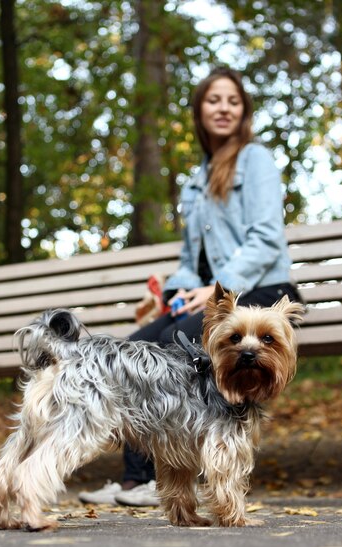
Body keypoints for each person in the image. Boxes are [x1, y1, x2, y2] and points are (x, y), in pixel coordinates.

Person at [78, 66, 301, 507]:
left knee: (174, 341)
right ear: (200, 111)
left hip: (260, 291)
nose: (223, 108)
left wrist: (216, 290)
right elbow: (189, 260)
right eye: (214, 100)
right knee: (138, 346)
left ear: (243, 112)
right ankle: (136, 479)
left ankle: (171, 475)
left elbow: (266, 239)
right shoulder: (198, 180)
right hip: (217, 296)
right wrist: (175, 292)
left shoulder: (255, 160)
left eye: (233, 101)